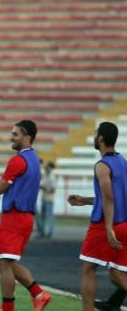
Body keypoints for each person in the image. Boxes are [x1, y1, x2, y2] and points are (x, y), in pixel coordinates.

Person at [0, 120, 51, 311]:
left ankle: (8, 308)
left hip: (14, 216)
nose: (11, 137)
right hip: (26, 217)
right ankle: (38, 294)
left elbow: (0, 189)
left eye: (15, 134)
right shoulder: (34, 159)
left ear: (27, 137)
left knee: (4, 264)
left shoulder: (17, 160)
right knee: (7, 262)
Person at [68, 122, 127, 311]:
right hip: (124, 223)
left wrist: (108, 227)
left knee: (88, 269)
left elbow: (109, 197)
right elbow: (113, 196)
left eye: (96, 134)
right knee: (117, 275)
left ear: (101, 138)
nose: (94, 137)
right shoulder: (122, 161)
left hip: (105, 224)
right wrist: (85, 200)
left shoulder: (102, 165)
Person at [36, 161, 57, 239]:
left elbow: (53, 189)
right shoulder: (45, 174)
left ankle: (49, 232)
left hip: (49, 198)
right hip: (44, 198)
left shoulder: (52, 175)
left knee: (49, 215)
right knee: (43, 215)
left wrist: (44, 188)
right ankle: (43, 232)